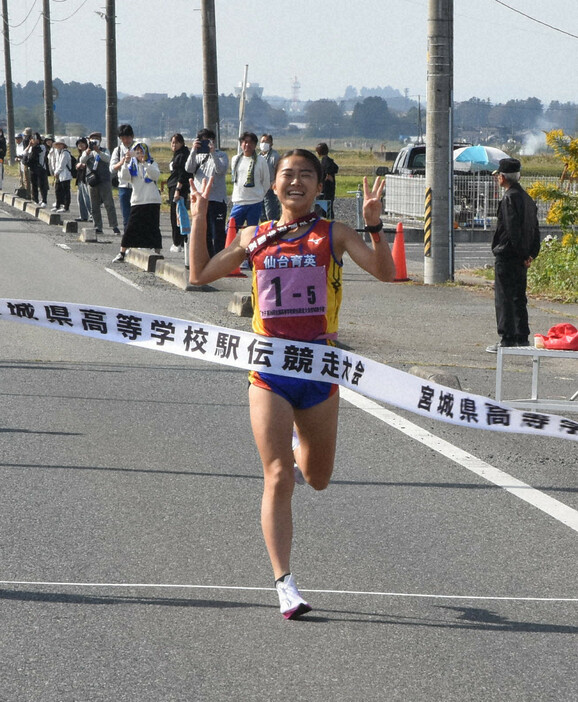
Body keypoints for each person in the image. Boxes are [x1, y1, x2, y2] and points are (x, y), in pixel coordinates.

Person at [188, 149, 395, 619]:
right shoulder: (255, 236)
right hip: (269, 370)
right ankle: (284, 583)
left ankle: (303, 435)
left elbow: (386, 273)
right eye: (287, 174)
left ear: (320, 186)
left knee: (317, 479)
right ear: (273, 184)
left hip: (319, 368)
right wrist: (199, 218)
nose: (296, 181)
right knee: (278, 475)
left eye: (306, 175)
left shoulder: (333, 234)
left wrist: (375, 226)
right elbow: (200, 274)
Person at [486, 157, 541, 353]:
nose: (497, 179)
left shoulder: (508, 198)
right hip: (522, 256)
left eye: (498, 176)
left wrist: (520, 253)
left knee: (504, 297)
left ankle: (506, 338)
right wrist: (530, 254)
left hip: (508, 254)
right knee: (519, 296)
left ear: (502, 177)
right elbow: (535, 229)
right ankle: (521, 336)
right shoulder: (527, 199)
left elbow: (511, 230)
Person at [112, 142, 162, 262]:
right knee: (131, 227)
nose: (139, 154)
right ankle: (122, 253)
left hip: (152, 199)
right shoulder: (132, 165)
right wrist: (125, 161)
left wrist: (145, 163)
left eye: (141, 151)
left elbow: (155, 175)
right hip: (137, 200)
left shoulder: (152, 162)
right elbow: (125, 177)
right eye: (137, 151)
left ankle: (157, 252)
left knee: (153, 227)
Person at [184, 128, 229, 257]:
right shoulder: (197, 156)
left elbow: (220, 170)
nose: (206, 144)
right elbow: (188, 168)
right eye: (202, 142)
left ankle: (219, 259)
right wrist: (193, 150)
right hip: (201, 199)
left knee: (218, 232)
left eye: (208, 141)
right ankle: (207, 258)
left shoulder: (221, 155)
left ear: (213, 141)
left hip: (217, 199)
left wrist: (213, 153)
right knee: (204, 232)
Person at [80, 132, 121, 235]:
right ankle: (97, 226)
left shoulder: (104, 150)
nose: (94, 141)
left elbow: (108, 159)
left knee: (109, 203)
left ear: (100, 140)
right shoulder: (87, 152)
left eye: (96, 139)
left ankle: (114, 226)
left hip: (104, 179)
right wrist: (88, 151)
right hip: (92, 181)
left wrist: (98, 151)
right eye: (92, 139)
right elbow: (82, 161)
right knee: (94, 205)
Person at [229, 131, 270, 231]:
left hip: (254, 202)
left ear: (255, 145)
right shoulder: (235, 159)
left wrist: (259, 195)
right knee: (231, 229)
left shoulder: (261, 160)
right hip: (238, 201)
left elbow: (266, 182)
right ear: (241, 144)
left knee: (252, 232)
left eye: (250, 142)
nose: (247, 145)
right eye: (245, 142)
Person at [166, 133, 191, 253]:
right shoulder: (178, 154)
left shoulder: (183, 155)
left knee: (176, 215)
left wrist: (177, 190)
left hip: (178, 188)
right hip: (174, 186)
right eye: (172, 142)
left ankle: (178, 242)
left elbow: (183, 174)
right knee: (178, 214)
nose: (173, 145)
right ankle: (181, 241)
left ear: (182, 143)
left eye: (176, 142)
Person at [110, 124, 135, 231]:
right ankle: (127, 240)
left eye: (128, 137)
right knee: (126, 216)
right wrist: (122, 161)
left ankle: (137, 238)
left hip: (137, 187)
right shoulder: (118, 150)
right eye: (123, 138)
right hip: (123, 186)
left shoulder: (138, 148)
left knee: (136, 215)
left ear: (132, 136)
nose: (126, 140)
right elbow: (112, 168)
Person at [23, 132, 49, 207]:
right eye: (31, 138)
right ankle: (35, 199)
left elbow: (32, 156)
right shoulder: (31, 147)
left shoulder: (41, 147)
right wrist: (29, 146)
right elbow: (24, 153)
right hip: (33, 168)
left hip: (41, 168)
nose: (33, 140)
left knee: (42, 185)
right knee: (34, 184)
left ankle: (44, 200)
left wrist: (27, 157)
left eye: (35, 138)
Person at [259, 134, 281, 221]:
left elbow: (279, 171)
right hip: (259, 190)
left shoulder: (274, 156)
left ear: (271, 143)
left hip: (270, 190)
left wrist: (275, 182)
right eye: (262, 142)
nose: (264, 144)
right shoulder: (258, 156)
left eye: (266, 141)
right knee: (262, 215)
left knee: (271, 214)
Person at [315, 142, 339, 218]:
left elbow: (328, 176)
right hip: (329, 192)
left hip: (324, 192)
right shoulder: (330, 161)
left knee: (322, 212)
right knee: (328, 211)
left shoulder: (325, 162)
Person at [52, 138, 73, 213]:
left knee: (66, 191)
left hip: (65, 175)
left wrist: (57, 172)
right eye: (57, 144)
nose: (58, 145)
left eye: (60, 144)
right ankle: (58, 205)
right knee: (58, 190)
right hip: (60, 175)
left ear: (63, 145)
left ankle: (66, 207)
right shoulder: (58, 152)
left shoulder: (65, 153)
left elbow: (62, 165)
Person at [74, 137, 92, 222]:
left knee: (87, 198)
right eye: (79, 144)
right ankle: (83, 216)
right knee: (80, 199)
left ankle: (91, 215)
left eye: (82, 143)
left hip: (86, 178)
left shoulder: (89, 153)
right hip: (80, 178)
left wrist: (82, 165)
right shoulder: (80, 154)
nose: (80, 145)